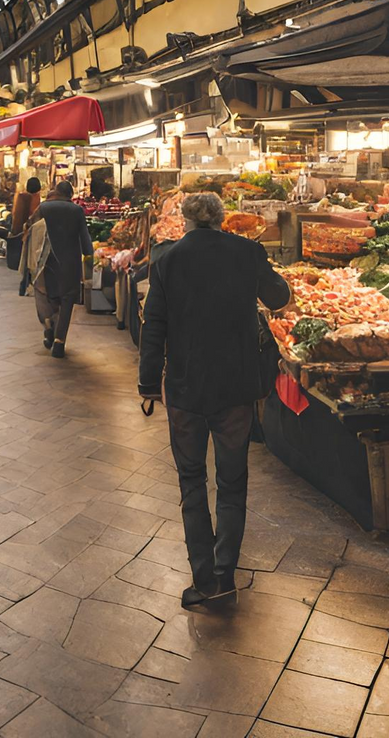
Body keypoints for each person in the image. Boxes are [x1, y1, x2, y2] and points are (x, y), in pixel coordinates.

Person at [137, 190, 290, 610]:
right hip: (235, 387)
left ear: (186, 220)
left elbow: (154, 325)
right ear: (222, 219)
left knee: (191, 481)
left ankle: (203, 578)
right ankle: (226, 575)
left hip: (186, 387)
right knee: (232, 482)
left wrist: (148, 384)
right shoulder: (247, 252)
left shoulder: (166, 258)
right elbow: (280, 298)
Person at [30, 180, 92, 358]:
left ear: (57, 192)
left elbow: (32, 229)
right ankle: (59, 342)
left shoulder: (44, 208)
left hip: (47, 260)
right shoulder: (76, 210)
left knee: (49, 295)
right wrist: (89, 256)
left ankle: (49, 323)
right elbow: (84, 236)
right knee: (67, 300)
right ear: (70, 195)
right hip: (70, 261)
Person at [9, 176, 42, 293]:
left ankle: (23, 285)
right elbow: (34, 217)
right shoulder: (34, 199)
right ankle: (28, 284)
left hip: (19, 232)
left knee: (24, 261)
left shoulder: (21, 197)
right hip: (30, 234)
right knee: (31, 261)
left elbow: (15, 214)